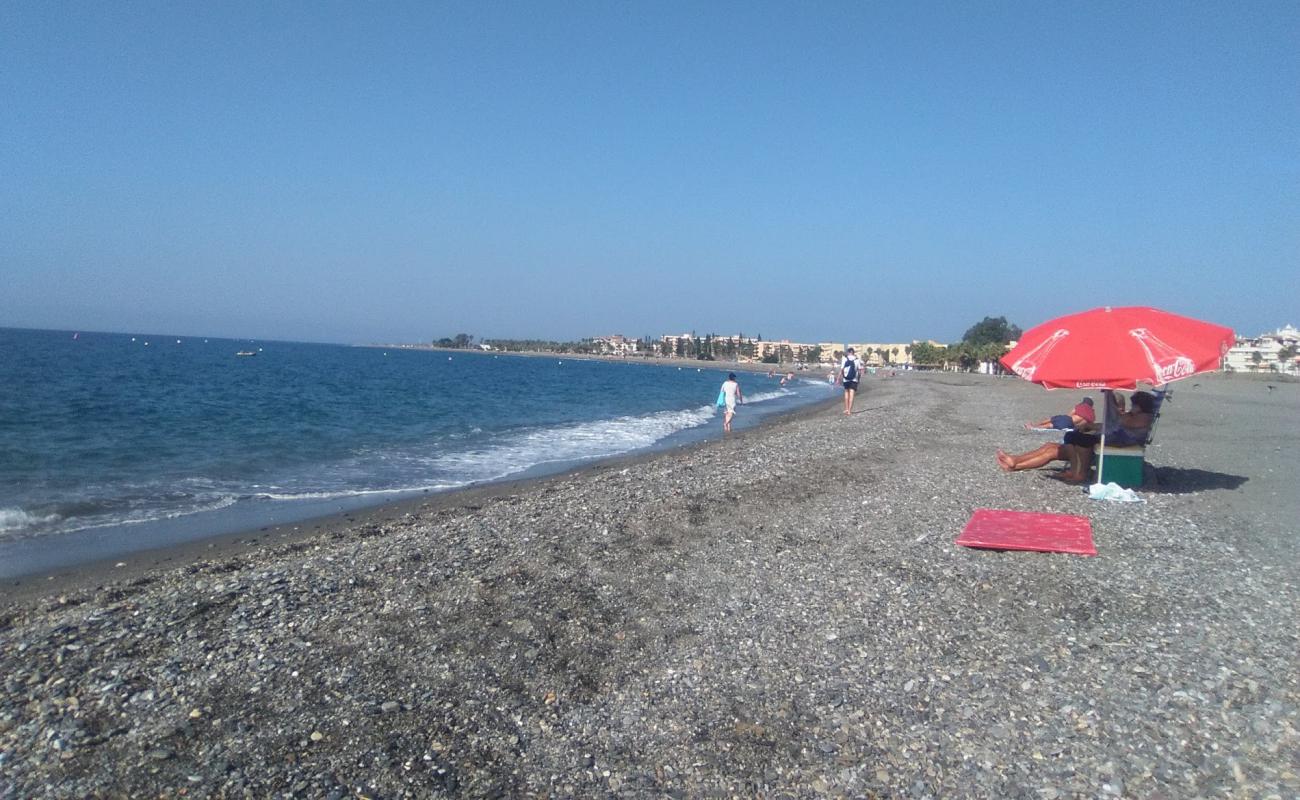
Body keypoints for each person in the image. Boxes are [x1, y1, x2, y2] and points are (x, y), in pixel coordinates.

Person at [996, 390, 1156, 482]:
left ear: (1141, 406)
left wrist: (1111, 402)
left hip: (1113, 447)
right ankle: (1015, 462)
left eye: (1134, 405)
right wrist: (1092, 426)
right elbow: (1113, 424)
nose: (1132, 407)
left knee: (1069, 442)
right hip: (1109, 442)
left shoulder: (1144, 418)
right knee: (1050, 447)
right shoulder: (1133, 416)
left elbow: (1119, 422)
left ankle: (1078, 472)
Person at [1025, 396, 1095, 431]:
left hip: (1068, 419)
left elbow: (1069, 414)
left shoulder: (1080, 407)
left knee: (1050, 420)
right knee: (1050, 425)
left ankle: (1034, 425)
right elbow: (1083, 426)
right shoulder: (1091, 416)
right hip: (1070, 425)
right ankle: (1034, 428)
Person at [837, 348, 864, 415]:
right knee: (851, 395)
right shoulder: (857, 360)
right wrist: (859, 379)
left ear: (848, 352)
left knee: (846, 393)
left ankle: (846, 409)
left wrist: (838, 378)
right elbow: (860, 371)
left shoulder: (844, 358)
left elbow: (842, 369)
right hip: (854, 379)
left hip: (846, 379)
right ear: (853, 352)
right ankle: (849, 411)